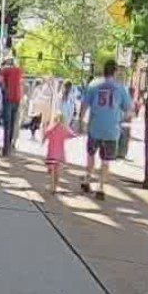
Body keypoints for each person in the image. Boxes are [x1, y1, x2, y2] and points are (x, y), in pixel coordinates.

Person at [77, 59, 134, 201]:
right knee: (106, 160)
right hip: (111, 129)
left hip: (95, 126)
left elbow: (84, 105)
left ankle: (87, 180)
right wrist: (120, 118)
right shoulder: (121, 88)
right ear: (115, 71)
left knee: (91, 155)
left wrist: (80, 121)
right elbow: (129, 110)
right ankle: (101, 188)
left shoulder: (94, 85)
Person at [0, 58, 26, 156]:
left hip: (8, 98)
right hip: (17, 99)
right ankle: (8, 147)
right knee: (12, 124)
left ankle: (5, 149)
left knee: (7, 125)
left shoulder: (4, 70)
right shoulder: (19, 71)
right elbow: (21, 83)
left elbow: (1, 82)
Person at [43, 111, 75, 193]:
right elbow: (72, 135)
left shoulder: (51, 129)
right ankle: (56, 186)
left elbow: (45, 134)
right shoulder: (64, 130)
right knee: (57, 172)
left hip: (51, 154)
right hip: (60, 155)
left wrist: (43, 138)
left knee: (52, 171)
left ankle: (52, 186)